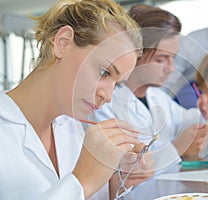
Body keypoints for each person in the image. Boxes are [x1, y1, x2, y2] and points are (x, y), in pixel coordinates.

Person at [0, 0, 154, 199]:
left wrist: (115, 183)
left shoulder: (73, 129)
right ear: (63, 43)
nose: (107, 97)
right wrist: (83, 181)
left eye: (117, 84)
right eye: (104, 72)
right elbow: (80, 187)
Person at [91, 4, 208, 168]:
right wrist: (176, 150)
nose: (171, 68)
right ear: (135, 53)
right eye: (161, 59)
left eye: (173, 57)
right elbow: (120, 175)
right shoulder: (105, 105)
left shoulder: (159, 98)